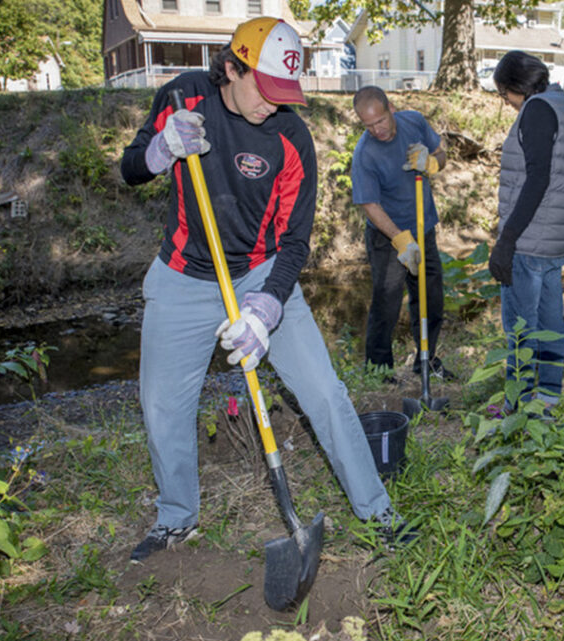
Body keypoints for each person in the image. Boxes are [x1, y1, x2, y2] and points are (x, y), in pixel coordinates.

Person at [119, 17, 411, 563]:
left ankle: (378, 510)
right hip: (183, 274)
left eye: (285, 94)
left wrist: (268, 304)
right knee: (162, 405)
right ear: (232, 67)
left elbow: (297, 241)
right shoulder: (183, 97)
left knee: (325, 392)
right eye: (265, 89)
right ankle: (175, 519)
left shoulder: (291, 137)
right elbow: (130, 168)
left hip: (259, 273)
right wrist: (160, 149)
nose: (273, 105)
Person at [488, 51, 564, 413]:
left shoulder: (536, 110)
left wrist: (507, 240)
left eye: (504, 94)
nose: (506, 102)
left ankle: (515, 403)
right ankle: (547, 397)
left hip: (531, 237)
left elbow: (537, 179)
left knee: (520, 325)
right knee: (549, 320)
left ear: (517, 86)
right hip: (556, 235)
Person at [350, 86, 454, 381]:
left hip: (424, 226)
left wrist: (432, 163)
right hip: (388, 237)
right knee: (387, 302)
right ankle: (379, 370)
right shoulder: (365, 153)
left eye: (380, 121)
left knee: (430, 298)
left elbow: (441, 154)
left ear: (391, 109)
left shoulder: (414, 122)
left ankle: (426, 360)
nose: (376, 130)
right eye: (368, 125)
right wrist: (400, 240)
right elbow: (370, 204)